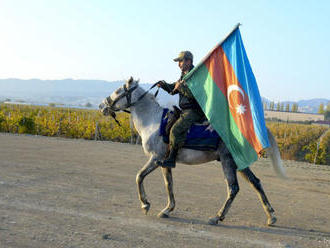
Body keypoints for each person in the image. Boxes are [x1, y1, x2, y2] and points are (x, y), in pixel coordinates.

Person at [156, 51, 205, 168]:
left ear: (188, 61)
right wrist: (164, 85)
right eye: (178, 62)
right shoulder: (184, 74)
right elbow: (174, 88)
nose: (179, 64)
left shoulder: (195, 75)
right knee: (168, 124)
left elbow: (195, 94)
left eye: (180, 61)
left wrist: (181, 87)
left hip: (194, 110)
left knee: (176, 130)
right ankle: (168, 153)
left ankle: (171, 159)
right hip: (185, 109)